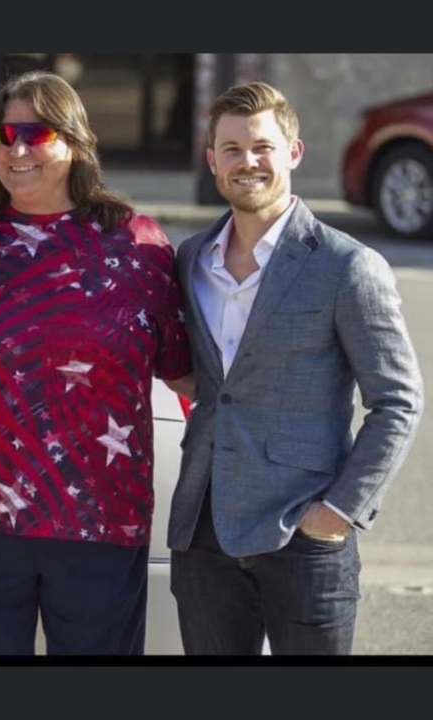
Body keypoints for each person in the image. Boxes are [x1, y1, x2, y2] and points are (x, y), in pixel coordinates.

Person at [0, 71, 192, 655]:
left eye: (35, 132)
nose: (16, 149)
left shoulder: (138, 246)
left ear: (74, 141)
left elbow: (185, 370)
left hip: (100, 517)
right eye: (3, 133)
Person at [168, 82, 424, 654]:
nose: (247, 162)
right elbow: (213, 382)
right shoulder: (190, 261)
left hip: (303, 535)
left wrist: (337, 513)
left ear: (293, 153)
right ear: (212, 161)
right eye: (231, 149)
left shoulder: (348, 266)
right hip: (203, 530)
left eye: (262, 146)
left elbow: (398, 401)